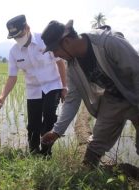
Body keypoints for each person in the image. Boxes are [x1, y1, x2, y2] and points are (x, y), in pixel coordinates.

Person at [40, 19, 139, 167]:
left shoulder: (108, 42)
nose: (55, 55)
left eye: (55, 50)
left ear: (66, 42)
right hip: (113, 100)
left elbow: (137, 70)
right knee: (94, 148)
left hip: (135, 94)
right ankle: (88, 175)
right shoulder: (73, 66)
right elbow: (72, 100)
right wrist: (57, 131)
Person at [0, 15, 67, 156]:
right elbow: (12, 76)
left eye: (20, 34)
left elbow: (60, 62)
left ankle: (46, 153)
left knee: (49, 117)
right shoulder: (14, 52)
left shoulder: (44, 40)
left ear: (27, 28)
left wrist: (64, 87)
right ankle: (34, 152)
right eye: (14, 37)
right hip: (33, 89)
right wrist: (2, 96)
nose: (18, 38)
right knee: (33, 123)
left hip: (52, 85)